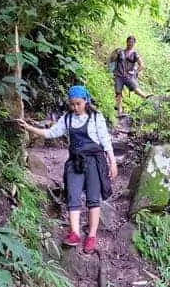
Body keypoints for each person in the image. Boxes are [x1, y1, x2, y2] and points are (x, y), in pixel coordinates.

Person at [16, 85, 118, 254]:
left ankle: (91, 236)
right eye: (72, 104)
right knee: (72, 195)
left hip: (94, 161)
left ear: (86, 101)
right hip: (75, 161)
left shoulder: (95, 117)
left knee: (93, 198)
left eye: (78, 103)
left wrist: (112, 162)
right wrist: (29, 128)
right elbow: (51, 133)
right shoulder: (67, 118)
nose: (75, 107)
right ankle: (75, 233)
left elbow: (105, 141)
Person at [109, 35, 152, 115]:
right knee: (118, 93)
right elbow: (112, 60)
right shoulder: (120, 51)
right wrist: (115, 54)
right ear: (126, 42)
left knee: (135, 88)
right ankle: (119, 111)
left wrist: (135, 71)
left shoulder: (135, 54)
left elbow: (141, 65)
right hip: (118, 75)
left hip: (128, 76)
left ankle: (146, 97)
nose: (130, 44)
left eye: (132, 42)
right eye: (129, 42)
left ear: (134, 43)